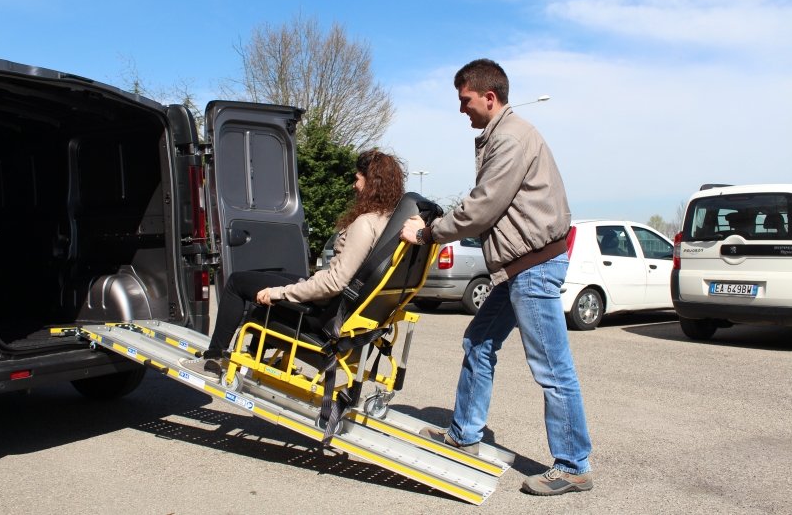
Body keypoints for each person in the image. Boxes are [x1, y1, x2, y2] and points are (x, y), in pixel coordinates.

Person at [400, 59, 593, 496]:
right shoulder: (503, 136)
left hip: (534, 265)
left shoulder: (510, 138)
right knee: (478, 341)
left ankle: (573, 465)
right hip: (517, 266)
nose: (461, 109)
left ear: (490, 97)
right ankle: (464, 434)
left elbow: (483, 207)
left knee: (552, 367)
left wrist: (429, 233)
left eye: (465, 100)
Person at [181, 149, 406, 379]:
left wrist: (280, 293)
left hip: (324, 315)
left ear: (372, 183)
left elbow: (335, 283)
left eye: (357, 179)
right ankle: (257, 355)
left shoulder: (364, 224)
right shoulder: (388, 224)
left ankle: (214, 359)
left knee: (238, 283)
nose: (353, 185)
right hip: (341, 312)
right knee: (274, 276)